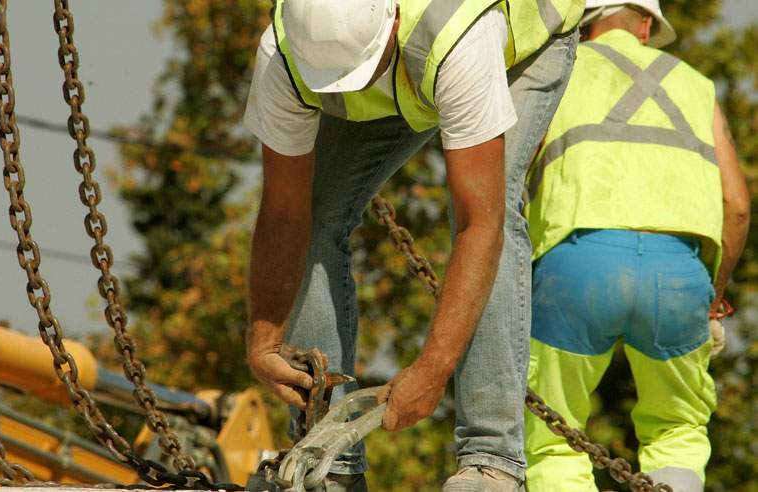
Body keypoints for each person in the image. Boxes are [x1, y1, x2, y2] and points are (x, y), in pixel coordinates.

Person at [243, 0, 584, 489]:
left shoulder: (457, 36)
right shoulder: (286, 54)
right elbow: (283, 212)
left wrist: (434, 367)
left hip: (523, 36)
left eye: (360, 74)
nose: (354, 89)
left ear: (393, 24)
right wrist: (264, 341)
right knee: (316, 212)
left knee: (493, 200)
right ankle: (329, 465)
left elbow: (478, 223)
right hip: (411, 67)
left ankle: (490, 461)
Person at [523, 1, 751, 491]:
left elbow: (511, 175)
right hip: (679, 274)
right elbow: (737, 207)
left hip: (577, 264)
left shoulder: (556, 72)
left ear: (583, 26)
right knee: (677, 429)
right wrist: (711, 301)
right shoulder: (696, 83)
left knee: (553, 437)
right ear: (647, 25)